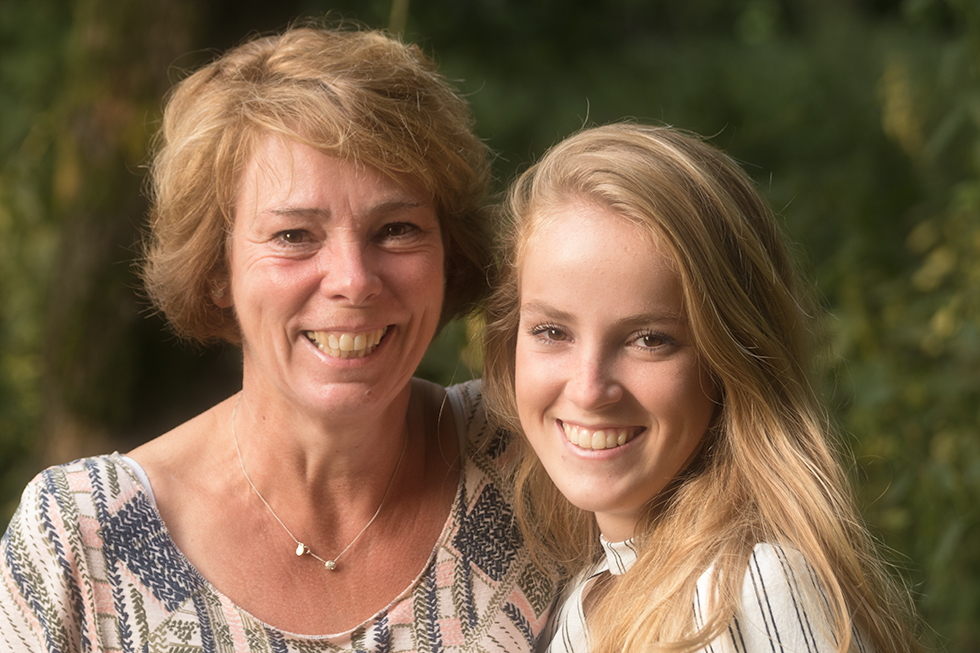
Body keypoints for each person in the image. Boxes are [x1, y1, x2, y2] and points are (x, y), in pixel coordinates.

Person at [0, 25, 556, 652]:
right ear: (217, 271)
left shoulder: (542, 465)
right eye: (294, 235)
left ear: (449, 254)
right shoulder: (82, 544)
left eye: (396, 229)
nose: (353, 281)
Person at [483, 123, 922, 653]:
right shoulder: (586, 603)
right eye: (553, 332)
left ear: (732, 358)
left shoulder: (753, 585)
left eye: (650, 339)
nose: (590, 388)